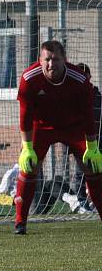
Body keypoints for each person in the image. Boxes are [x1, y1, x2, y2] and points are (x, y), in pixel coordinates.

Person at [14, 40, 102, 234]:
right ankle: (20, 222)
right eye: (46, 59)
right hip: (42, 127)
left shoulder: (79, 79)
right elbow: (25, 115)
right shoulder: (29, 79)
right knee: (29, 168)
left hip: (74, 126)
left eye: (55, 59)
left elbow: (88, 114)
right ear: (40, 60)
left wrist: (92, 146)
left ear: (65, 60)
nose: (50, 64)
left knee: (93, 168)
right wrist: (27, 147)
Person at [62, 63, 102, 213]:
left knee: (97, 172)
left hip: (98, 141)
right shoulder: (71, 98)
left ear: (90, 77)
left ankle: (94, 201)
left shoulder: (97, 96)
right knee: (81, 172)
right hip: (80, 141)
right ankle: (82, 202)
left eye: (86, 76)